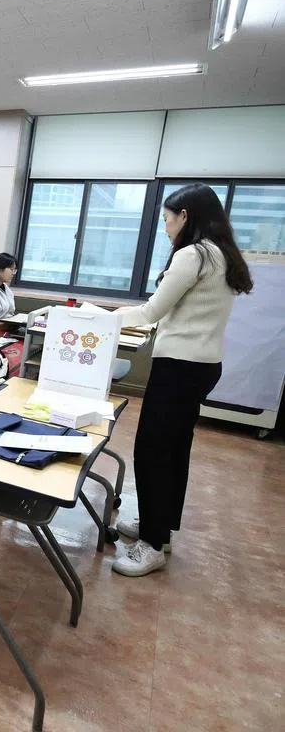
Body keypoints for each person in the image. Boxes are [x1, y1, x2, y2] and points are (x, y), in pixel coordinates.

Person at [109, 183, 253, 578]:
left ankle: (151, 545)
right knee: (174, 449)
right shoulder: (222, 253)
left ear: (185, 215)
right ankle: (161, 529)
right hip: (203, 366)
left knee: (153, 451)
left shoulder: (193, 254)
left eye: (167, 219)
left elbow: (152, 310)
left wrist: (100, 316)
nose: (166, 227)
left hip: (179, 366)